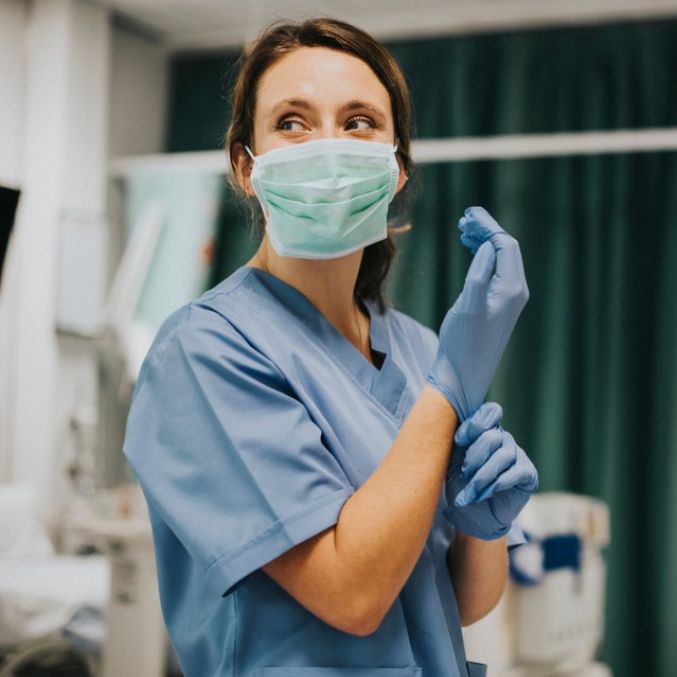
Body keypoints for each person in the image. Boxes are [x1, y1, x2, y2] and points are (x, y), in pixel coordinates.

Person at [122, 17, 539, 677]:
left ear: (395, 166)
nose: (327, 147)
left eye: (358, 122)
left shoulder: (418, 348)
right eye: (291, 122)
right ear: (244, 166)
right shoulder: (203, 351)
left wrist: (483, 528)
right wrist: (451, 386)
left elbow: (456, 603)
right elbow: (352, 593)